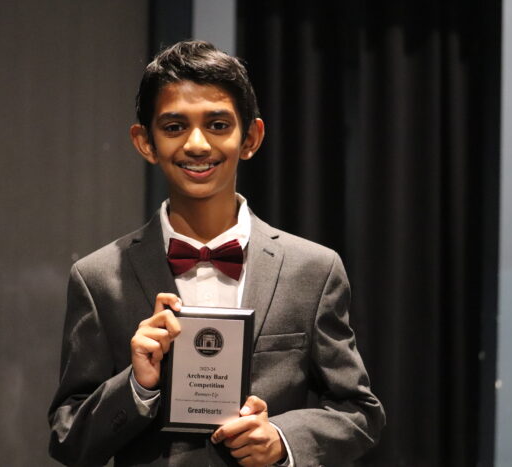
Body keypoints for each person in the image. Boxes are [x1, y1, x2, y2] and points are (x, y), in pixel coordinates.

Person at [48, 40, 385, 467]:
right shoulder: (99, 278)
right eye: (173, 127)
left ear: (251, 137)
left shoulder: (312, 270)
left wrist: (282, 440)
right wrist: (136, 385)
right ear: (145, 142)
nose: (197, 144)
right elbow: (67, 439)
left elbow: (359, 413)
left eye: (218, 125)